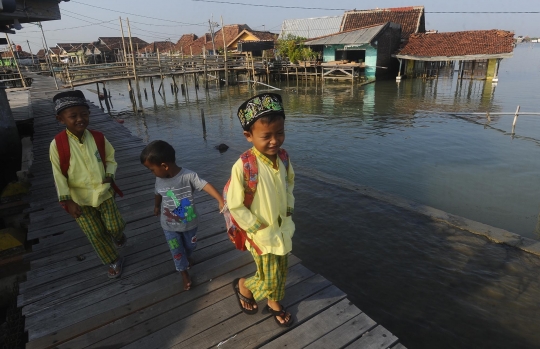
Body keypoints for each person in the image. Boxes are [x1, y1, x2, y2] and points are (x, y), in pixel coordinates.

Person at [228, 93, 295, 327]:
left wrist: (289, 208)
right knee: (268, 277)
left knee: (281, 269)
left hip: (282, 227)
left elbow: (289, 184)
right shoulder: (245, 165)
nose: (275, 141)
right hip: (260, 233)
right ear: (249, 136)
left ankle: (274, 302)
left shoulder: (284, 158)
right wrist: (254, 226)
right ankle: (244, 285)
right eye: (266, 136)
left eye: (280, 133)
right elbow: (234, 202)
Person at [49, 90, 127, 279]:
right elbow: (58, 176)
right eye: (73, 116)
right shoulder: (57, 145)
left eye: (84, 114)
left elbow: (110, 157)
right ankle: (113, 259)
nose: (79, 119)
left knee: (115, 226)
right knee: (95, 234)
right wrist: (67, 201)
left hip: (104, 192)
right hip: (79, 199)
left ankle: (118, 237)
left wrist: (109, 175)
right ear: (61, 119)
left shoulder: (98, 137)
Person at [140, 140, 224, 290]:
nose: (152, 173)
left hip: (189, 223)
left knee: (190, 245)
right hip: (169, 225)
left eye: (151, 169)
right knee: (177, 250)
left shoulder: (188, 176)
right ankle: (183, 272)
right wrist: (156, 206)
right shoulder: (159, 179)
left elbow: (205, 185)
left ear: (164, 166)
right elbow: (157, 193)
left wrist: (220, 200)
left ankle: (187, 256)